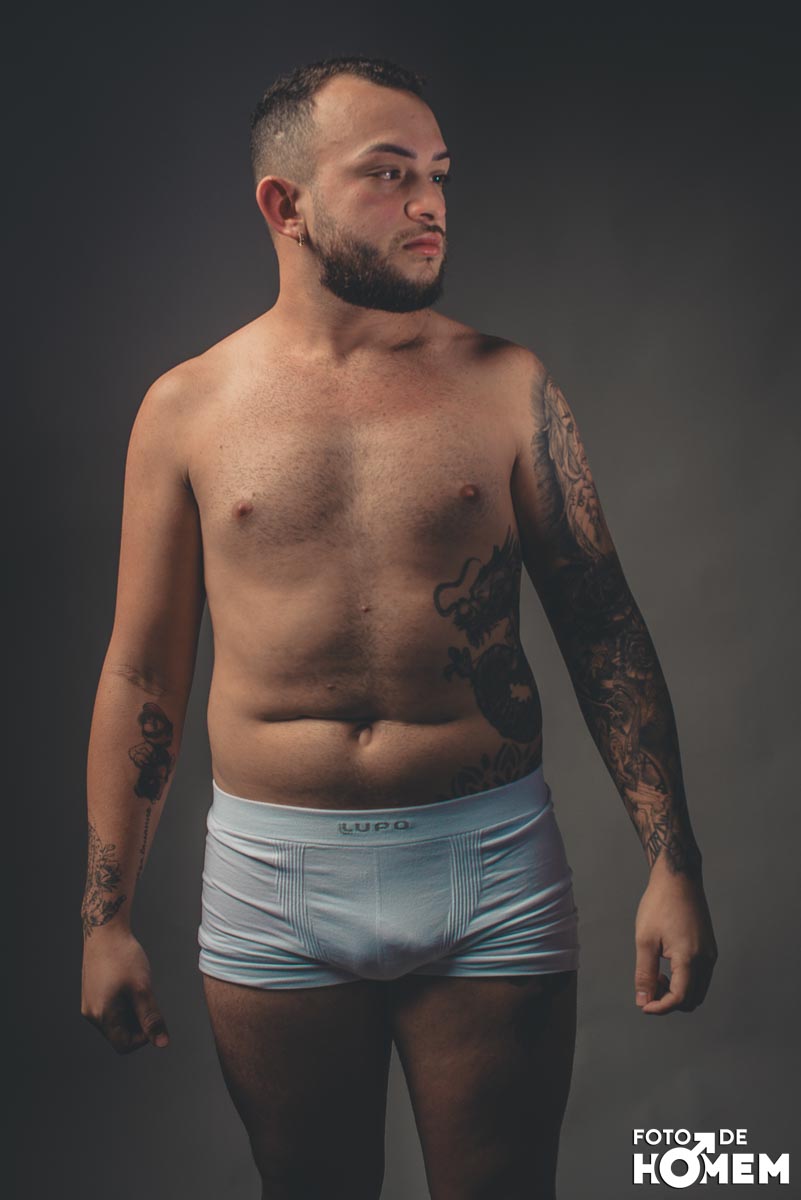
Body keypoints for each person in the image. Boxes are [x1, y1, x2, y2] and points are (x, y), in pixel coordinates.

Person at [80, 55, 718, 1200]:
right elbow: (143, 675)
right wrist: (106, 918)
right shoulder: (186, 409)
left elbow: (604, 630)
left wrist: (674, 866)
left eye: (439, 173)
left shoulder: (507, 386)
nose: (430, 203)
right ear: (285, 206)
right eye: (389, 174)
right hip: (274, 882)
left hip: (490, 870)